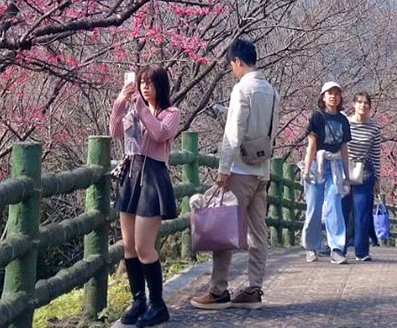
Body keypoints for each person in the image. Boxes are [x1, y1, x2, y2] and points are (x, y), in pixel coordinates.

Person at [190, 39, 279, 311]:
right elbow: (271, 133)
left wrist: (223, 169)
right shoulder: (271, 91)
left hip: (239, 170)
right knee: (258, 233)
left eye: (232, 65)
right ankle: (253, 289)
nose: (233, 70)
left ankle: (218, 291)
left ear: (238, 62)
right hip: (261, 171)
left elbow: (233, 132)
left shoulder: (242, 89)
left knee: (223, 228)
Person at [111, 65, 182, 326]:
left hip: (152, 178)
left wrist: (141, 109)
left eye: (150, 83)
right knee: (129, 245)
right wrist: (121, 101)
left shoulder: (171, 113)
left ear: (161, 86)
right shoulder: (133, 110)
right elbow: (116, 131)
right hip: (131, 175)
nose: (145, 87)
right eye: (142, 82)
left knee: (143, 245)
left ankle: (157, 304)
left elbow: (161, 133)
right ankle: (138, 300)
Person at [300, 82, 351, 264]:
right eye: (330, 93)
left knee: (334, 205)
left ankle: (336, 248)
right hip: (316, 164)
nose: (333, 96)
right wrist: (306, 170)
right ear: (322, 96)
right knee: (314, 207)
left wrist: (347, 176)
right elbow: (311, 145)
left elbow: (344, 149)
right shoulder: (317, 117)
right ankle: (311, 246)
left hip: (335, 166)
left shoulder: (343, 120)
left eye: (337, 93)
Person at [345, 90, 382, 262]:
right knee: (342, 210)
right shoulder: (345, 122)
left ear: (370, 107)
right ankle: (338, 248)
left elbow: (375, 154)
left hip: (364, 173)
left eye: (366, 103)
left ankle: (362, 251)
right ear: (353, 104)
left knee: (362, 213)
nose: (363, 106)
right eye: (359, 102)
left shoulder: (374, 128)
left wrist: (377, 179)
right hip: (344, 170)